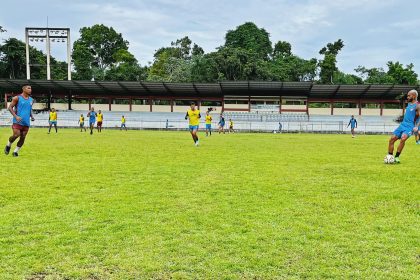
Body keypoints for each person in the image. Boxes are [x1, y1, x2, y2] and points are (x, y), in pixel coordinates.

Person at [388, 89, 420, 163]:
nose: (407, 97)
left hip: (410, 126)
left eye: (409, 95)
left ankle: (396, 157)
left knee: (403, 138)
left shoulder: (418, 105)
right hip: (402, 125)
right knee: (392, 139)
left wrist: (416, 126)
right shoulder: (408, 104)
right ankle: (390, 156)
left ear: (414, 96)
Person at [4, 85, 35, 157]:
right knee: (16, 135)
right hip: (17, 121)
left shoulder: (31, 100)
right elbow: (10, 107)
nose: (30, 90)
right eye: (28, 88)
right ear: (23, 89)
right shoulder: (17, 98)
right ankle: (8, 145)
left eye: (31, 88)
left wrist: (32, 116)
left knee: (23, 137)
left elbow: (29, 109)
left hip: (26, 122)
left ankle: (15, 152)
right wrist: (16, 116)